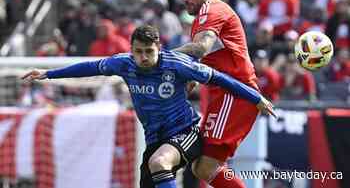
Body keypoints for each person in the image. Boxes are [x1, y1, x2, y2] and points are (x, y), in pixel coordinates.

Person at [22, 25, 275, 188]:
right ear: (131, 50)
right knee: (189, 168)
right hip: (155, 138)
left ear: (159, 49)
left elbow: (219, 78)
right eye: (139, 51)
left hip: (186, 131)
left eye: (149, 52)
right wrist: (48, 73)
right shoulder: (123, 64)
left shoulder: (176, 64)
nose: (143, 57)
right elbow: (88, 67)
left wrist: (256, 98)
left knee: (161, 163)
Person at [174, 0, 272, 188]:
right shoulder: (203, 15)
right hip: (224, 93)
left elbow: (201, 48)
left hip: (235, 93)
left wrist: (161, 57)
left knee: (206, 167)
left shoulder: (211, 11)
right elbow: (208, 56)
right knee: (201, 167)